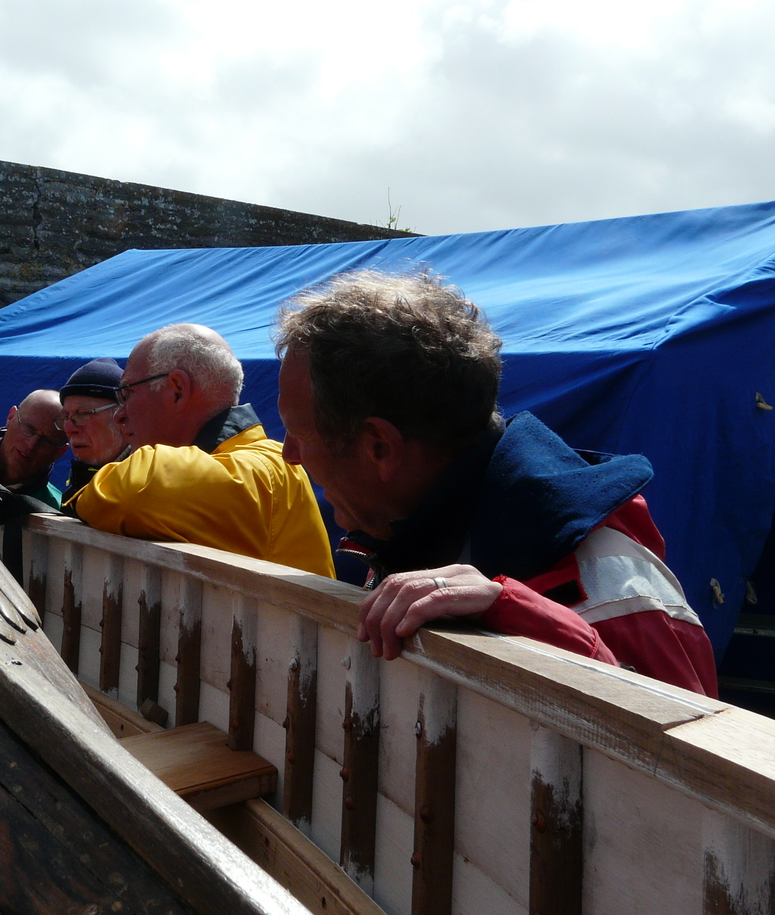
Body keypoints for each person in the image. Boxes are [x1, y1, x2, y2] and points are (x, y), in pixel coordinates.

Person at [274, 271, 718, 696]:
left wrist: (533, 623)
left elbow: (696, 742)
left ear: (379, 447)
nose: (288, 454)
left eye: (299, 434)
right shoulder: (413, 531)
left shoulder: (612, 587)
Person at [67, 324, 335, 578]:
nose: (120, 415)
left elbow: (134, 490)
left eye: (127, 394)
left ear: (177, 390)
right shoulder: (262, 461)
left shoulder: (257, 468)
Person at [58, 357, 130, 502]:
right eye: (66, 417)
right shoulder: (70, 498)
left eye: (82, 414)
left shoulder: (150, 485)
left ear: (122, 416)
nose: (69, 428)